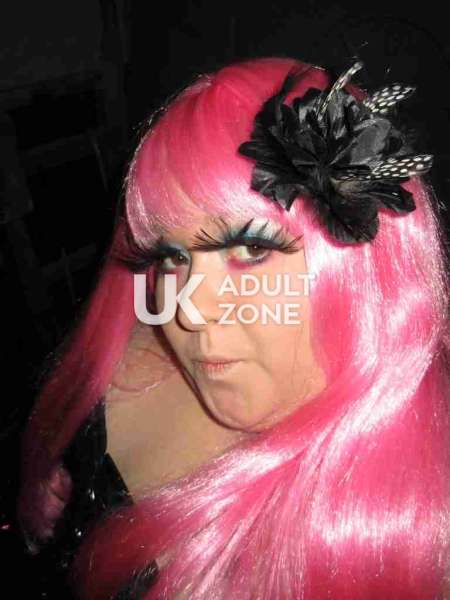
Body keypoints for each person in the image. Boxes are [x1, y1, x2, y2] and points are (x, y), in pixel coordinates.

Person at [17, 56, 450, 599]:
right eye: (171, 258)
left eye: (250, 249)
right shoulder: (131, 349)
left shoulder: (419, 533)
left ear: (360, 260)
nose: (186, 310)